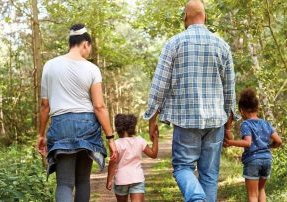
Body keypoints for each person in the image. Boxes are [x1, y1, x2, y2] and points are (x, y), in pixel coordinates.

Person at [143, 0, 238, 201]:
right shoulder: (222, 45)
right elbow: (230, 89)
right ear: (205, 16)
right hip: (215, 121)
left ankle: (196, 198)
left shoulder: (174, 43)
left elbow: (159, 85)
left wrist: (152, 118)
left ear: (185, 17)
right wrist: (229, 125)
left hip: (186, 120)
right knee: (210, 175)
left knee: (182, 168)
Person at [36, 23, 117, 202]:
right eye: (89, 48)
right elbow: (99, 106)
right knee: (82, 181)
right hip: (87, 125)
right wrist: (110, 138)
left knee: (64, 183)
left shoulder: (50, 66)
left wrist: (41, 134)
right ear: (85, 44)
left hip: (61, 124)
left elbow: (44, 106)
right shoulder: (92, 69)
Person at [225, 89, 282, 202]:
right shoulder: (265, 123)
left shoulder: (246, 124)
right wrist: (270, 147)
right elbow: (279, 141)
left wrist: (230, 142)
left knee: (252, 195)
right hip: (267, 159)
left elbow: (247, 143)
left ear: (241, 110)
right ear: (257, 108)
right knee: (261, 189)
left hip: (253, 161)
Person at [106, 114, 159, 202]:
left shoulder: (115, 144)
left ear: (117, 128)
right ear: (133, 127)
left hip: (121, 179)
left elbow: (113, 163)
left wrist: (109, 179)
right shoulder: (140, 140)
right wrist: (156, 138)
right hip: (137, 178)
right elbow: (153, 154)